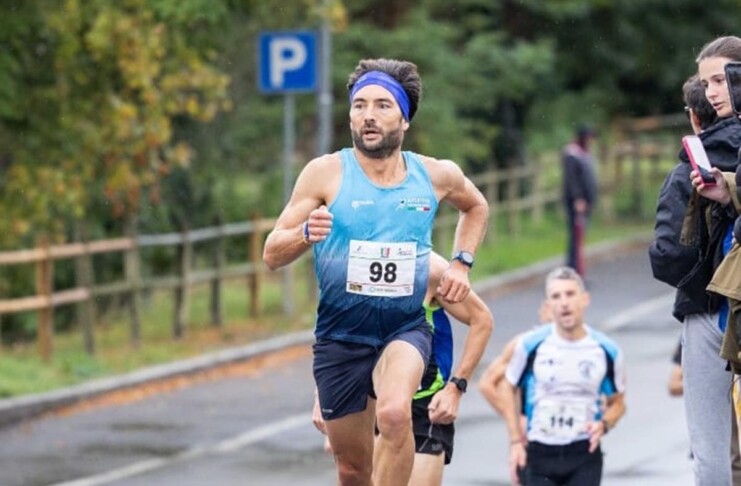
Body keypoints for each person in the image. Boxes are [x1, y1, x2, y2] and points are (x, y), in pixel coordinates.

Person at [262, 58, 489, 486]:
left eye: (383, 105)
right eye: (360, 105)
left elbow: (476, 206)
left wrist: (462, 262)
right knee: (352, 471)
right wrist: (306, 234)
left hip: (404, 328)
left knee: (395, 413)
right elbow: (272, 253)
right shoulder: (325, 173)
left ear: (404, 119)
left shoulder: (435, 175)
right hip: (341, 336)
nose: (369, 115)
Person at [312, 251, 494, 486]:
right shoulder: (352, 260)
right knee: (353, 475)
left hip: (423, 406)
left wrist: (456, 387)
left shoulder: (429, 267)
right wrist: (324, 395)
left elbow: (482, 320)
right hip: (367, 402)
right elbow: (334, 336)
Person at [649, 40, 741, 485]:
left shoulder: (702, 151)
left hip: (710, 307)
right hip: (717, 307)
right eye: (706, 84)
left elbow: (668, 254)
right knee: (714, 457)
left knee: (711, 454)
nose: (713, 92)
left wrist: (694, 278)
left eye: (721, 79)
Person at [498, 267, 626, 486]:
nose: (564, 303)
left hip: (584, 452)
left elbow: (618, 403)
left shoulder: (606, 350)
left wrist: (604, 424)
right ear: (548, 306)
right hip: (539, 452)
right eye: (556, 296)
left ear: (585, 299)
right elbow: (506, 386)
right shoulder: (531, 345)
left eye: (570, 294)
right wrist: (515, 440)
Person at [561, 125, 598, 277]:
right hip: (577, 203)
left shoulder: (584, 153)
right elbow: (571, 179)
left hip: (585, 202)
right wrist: (578, 198)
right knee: (576, 236)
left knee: (580, 236)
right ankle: (573, 270)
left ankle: (578, 269)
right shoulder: (572, 154)